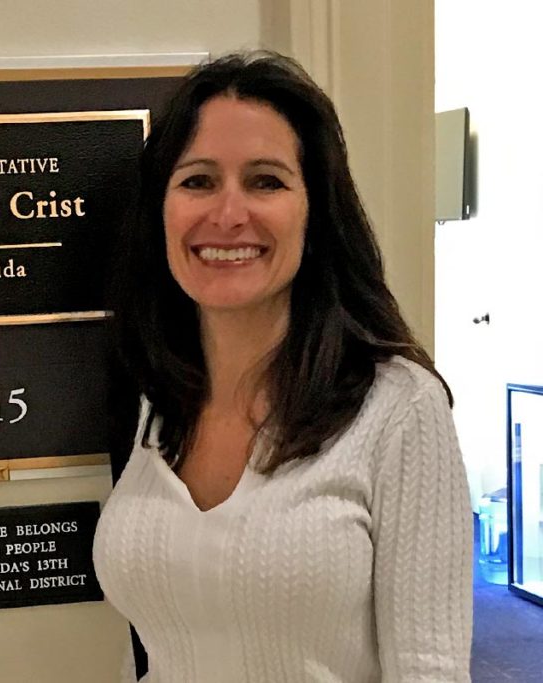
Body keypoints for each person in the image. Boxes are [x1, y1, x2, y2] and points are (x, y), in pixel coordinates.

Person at [92, 51, 473, 682]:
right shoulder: (154, 401)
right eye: (197, 180)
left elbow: (430, 670)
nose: (228, 214)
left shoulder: (399, 408)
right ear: (161, 209)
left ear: (314, 211)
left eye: (266, 181)